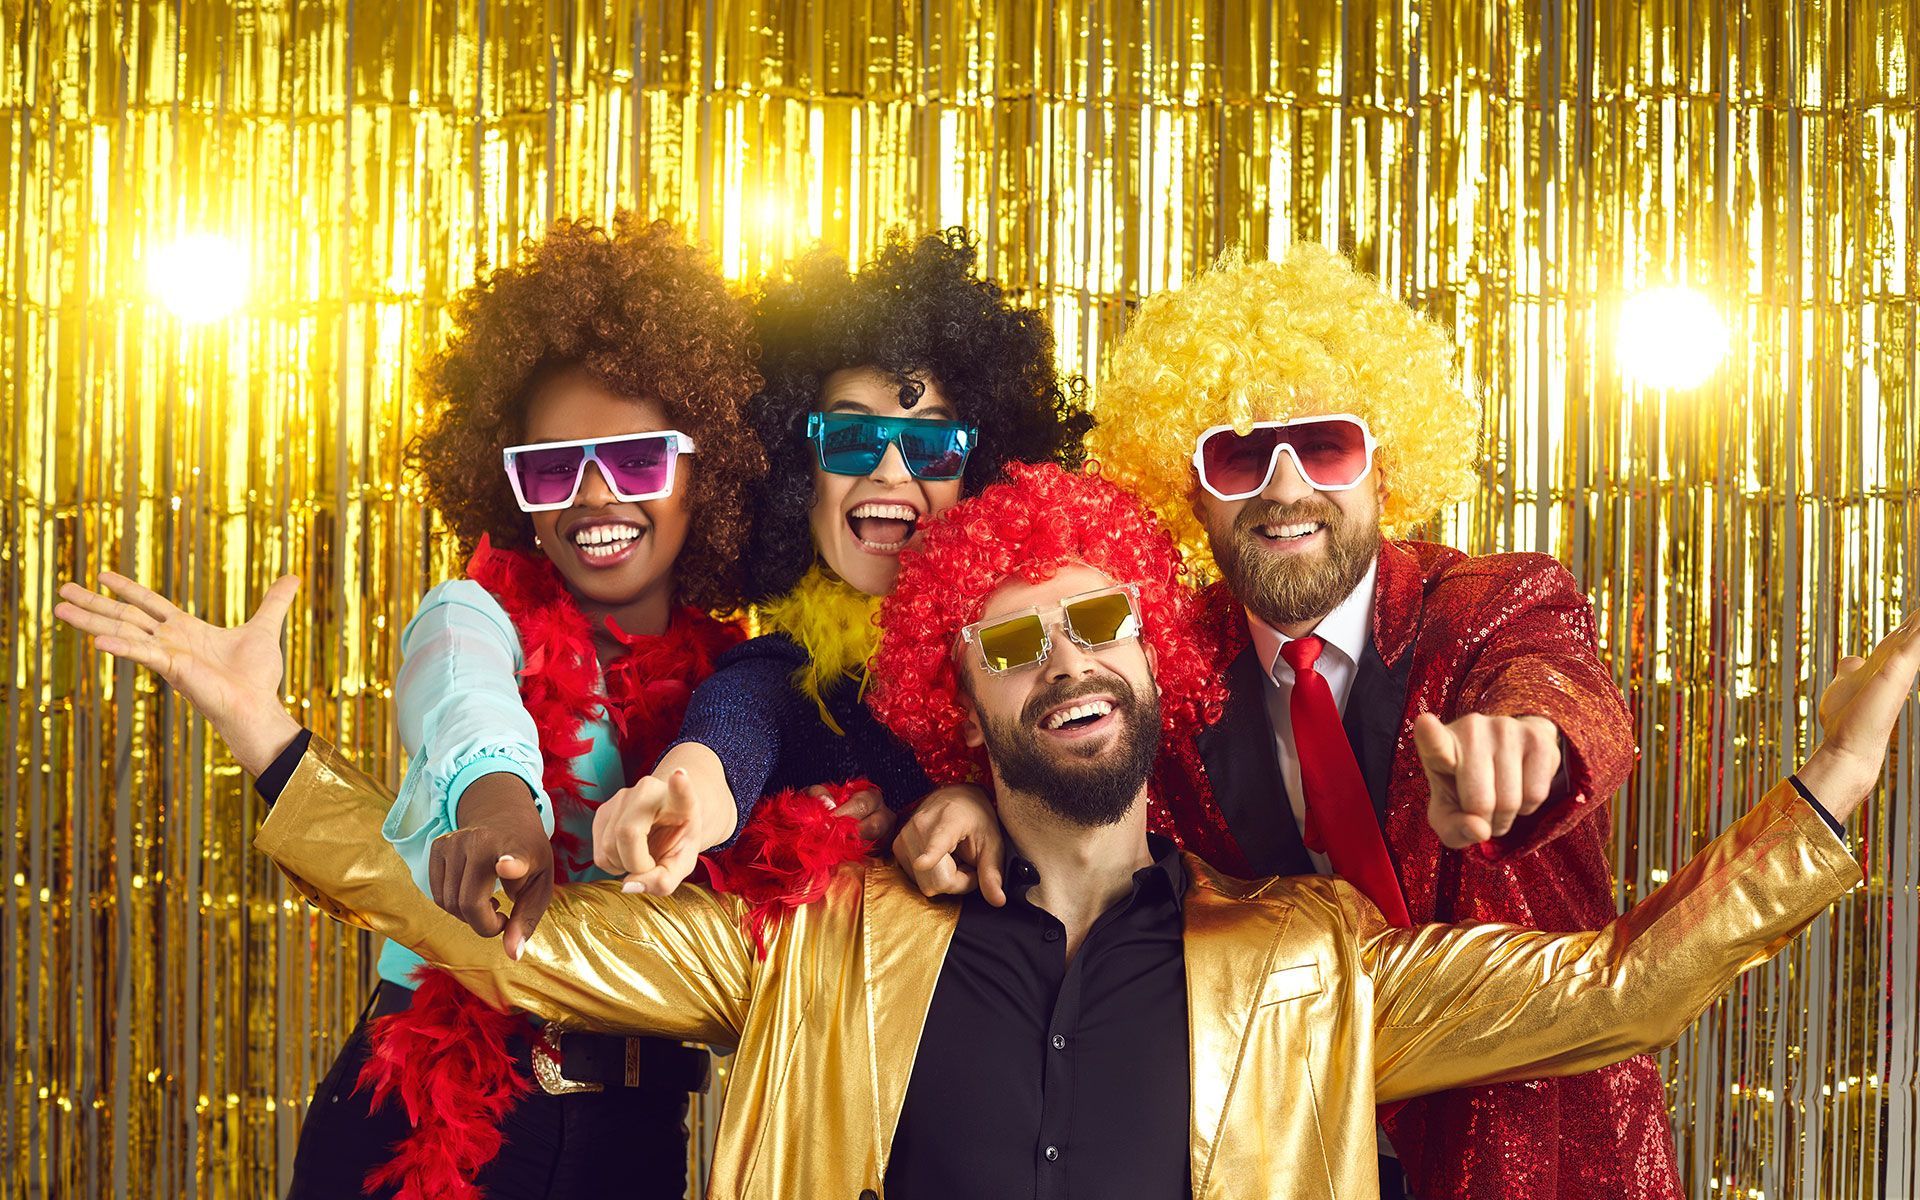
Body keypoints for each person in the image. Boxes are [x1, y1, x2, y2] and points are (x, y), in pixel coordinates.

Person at [65, 464, 1911, 1199]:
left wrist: (1824, 792)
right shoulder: (821, 945)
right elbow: (509, 940)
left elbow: (1618, 989)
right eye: (1013, 643)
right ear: (966, 700)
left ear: (1162, 661)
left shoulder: (1308, 964)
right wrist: (275, 746)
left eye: (1101, 619)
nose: (1067, 664)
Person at [897, 245, 1669, 1197]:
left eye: (1328, 445)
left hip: (1524, 1156)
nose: (1286, 486)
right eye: (1240, 453)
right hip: (1279, 1161)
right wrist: (970, 795)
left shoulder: (1488, 607)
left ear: (1386, 469)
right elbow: (1071, 757)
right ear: (1193, 493)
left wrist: (1533, 741)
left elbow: (1556, 684)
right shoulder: (1163, 664)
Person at [60, 215, 767, 1200]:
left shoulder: (737, 688)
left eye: (638, 459)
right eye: (552, 468)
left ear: (709, 466)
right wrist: (495, 806)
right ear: (513, 490)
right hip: (434, 1118)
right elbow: (465, 705)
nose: (595, 497)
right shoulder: (471, 613)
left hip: (642, 1137)